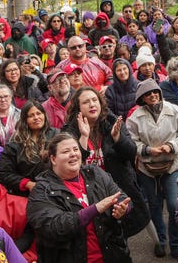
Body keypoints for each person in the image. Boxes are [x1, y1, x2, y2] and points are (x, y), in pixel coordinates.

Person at [27, 133, 133, 263]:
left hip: (112, 256)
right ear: (53, 159)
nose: (73, 154)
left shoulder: (95, 173)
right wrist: (94, 209)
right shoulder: (42, 190)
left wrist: (122, 208)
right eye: (66, 151)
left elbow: (120, 196)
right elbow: (53, 227)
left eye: (75, 149)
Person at [62, 87, 150, 237]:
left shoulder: (112, 121)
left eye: (94, 100)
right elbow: (73, 163)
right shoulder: (70, 131)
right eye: (86, 102)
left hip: (118, 188)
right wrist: (83, 137)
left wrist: (117, 138)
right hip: (89, 193)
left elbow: (131, 152)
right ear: (78, 108)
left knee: (120, 235)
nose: (92, 104)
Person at [126, 79, 178, 258]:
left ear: (159, 93)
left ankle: (176, 243)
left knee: (174, 204)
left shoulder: (175, 111)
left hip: (171, 165)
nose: (152, 96)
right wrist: (146, 150)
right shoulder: (134, 118)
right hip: (147, 168)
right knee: (154, 204)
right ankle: (161, 240)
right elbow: (131, 142)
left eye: (155, 92)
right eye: (148, 94)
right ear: (142, 98)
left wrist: (172, 145)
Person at [0, 101, 58, 197]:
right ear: (24, 120)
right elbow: (6, 174)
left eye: (39, 113)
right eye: (31, 116)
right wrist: (28, 184)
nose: (36, 118)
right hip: (29, 194)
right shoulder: (14, 144)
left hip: (56, 188)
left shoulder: (56, 135)